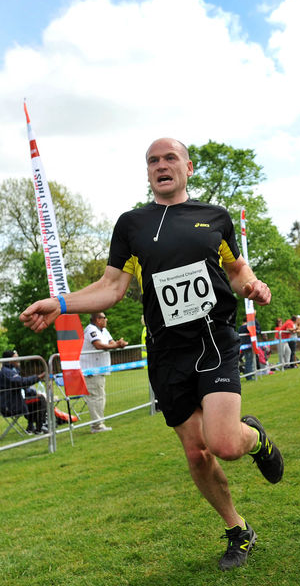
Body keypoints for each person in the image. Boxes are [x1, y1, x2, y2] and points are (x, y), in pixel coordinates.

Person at [19, 137, 284, 571]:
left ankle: (254, 438)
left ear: (188, 167)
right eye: (153, 161)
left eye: (170, 158)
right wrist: (60, 302)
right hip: (166, 353)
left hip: (213, 339)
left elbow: (237, 270)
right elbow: (111, 288)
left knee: (223, 443)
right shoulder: (132, 225)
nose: (161, 165)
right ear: (148, 172)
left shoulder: (214, 217)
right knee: (196, 452)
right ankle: (238, 529)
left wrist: (252, 286)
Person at [81, 312, 128, 433]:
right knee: (96, 398)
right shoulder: (91, 330)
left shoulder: (104, 330)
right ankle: (97, 425)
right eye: (104, 318)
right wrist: (116, 345)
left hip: (100, 370)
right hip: (92, 370)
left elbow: (111, 342)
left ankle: (99, 423)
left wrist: (119, 344)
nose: (106, 320)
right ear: (98, 319)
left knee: (100, 396)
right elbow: (98, 345)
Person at [0, 350, 47, 434]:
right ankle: (40, 426)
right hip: (10, 405)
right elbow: (21, 382)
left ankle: (33, 426)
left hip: (17, 401)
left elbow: (23, 386)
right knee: (40, 400)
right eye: (16, 357)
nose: (19, 359)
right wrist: (38, 377)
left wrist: (33, 393)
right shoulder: (6, 372)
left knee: (37, 398)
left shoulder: (14, 370)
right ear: (9, 360)